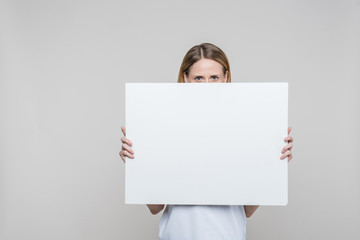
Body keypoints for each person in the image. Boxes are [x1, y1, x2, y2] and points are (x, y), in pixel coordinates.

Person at [119, 43, 294, 240]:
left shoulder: (244, 126)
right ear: (185, 79)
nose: (206, 85)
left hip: (229, 234)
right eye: (198, 78)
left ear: (225, 78)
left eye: (214, 78)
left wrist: (273, 164)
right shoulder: (166, 125)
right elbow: (155, 207)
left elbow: (247, 210)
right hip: (178, 234)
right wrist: (138, 162)